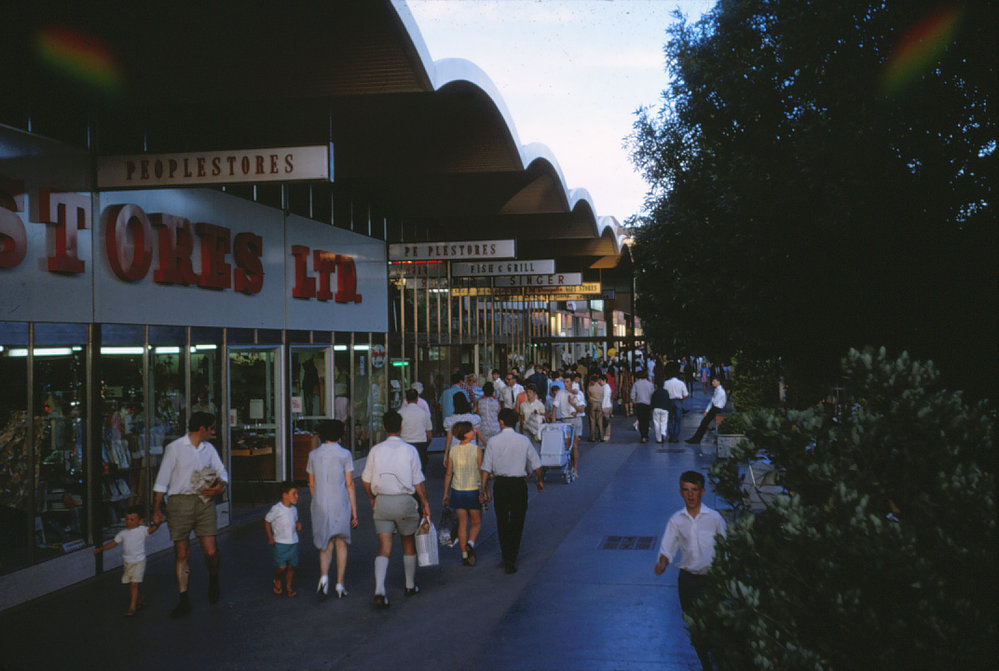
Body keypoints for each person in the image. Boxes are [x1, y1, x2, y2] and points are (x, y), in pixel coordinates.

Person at [152, 411, 228, 618]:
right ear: (202, 429)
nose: (213, 432)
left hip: (204, 502)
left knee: (211, 551)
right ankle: (183, 598)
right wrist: (157, 509)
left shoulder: (209, 449)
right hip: (179, 503)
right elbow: (162, 481)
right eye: (211, 428)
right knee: (182, 553)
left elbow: (222, 472)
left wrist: (220, 487)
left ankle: (213, 577)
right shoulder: (174, 448)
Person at [654, 471, 727, 671]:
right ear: (680, 493)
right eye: (686, 490)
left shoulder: (714, 518)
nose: (691, 495)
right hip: (688, 582)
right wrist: (662, 562)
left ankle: (719, 659)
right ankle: (706, 665)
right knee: (696, 627)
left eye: (694, 490)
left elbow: (726, 547)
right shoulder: (676, 520)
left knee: (715, 624)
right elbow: (667, 548)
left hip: (712, 579)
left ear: (702, 492)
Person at [361, 410, 432, 609]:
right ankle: (409, 585)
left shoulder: (375, 450)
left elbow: (366, 480)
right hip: (405, 502)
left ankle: (379, 590)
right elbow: (418, 482)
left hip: (382, 501)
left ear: (383, 428)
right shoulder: (410, 450)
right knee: (408, 542)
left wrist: (372, 498)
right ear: (401, 427)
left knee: (384, 547)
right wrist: (425, 503)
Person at [480, 409, 544, 574]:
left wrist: (483, 489)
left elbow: (485, 468)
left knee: (502, 520)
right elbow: (537, 464)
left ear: (501, 422)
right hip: (518, 485)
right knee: (517, 520)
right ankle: (512, 557)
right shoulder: (524, 440)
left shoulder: (493, 441)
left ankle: (505, 554)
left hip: (500, 484)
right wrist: (539, 481)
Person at [308, 419, 358, 600]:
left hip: (320, 503)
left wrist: (318, 500)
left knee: (325, 544)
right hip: (340, 502)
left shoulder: (313, 455)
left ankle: (323, 577)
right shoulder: (344, 454)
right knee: (341, 543)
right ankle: (340, 583)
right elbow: (350, 484)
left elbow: (311, 484)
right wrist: (354, 510)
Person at [93, 504, 162, 616]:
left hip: (139, 561)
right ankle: (139, 598)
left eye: (132, 519)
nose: (128, 522)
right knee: (131, 583)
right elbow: (113, 543)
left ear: (140, 521)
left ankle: (132, 607)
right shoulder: (123, 533)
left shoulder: (142, 530)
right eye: (127, 519)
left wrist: (157, 524)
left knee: (134, 584)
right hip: (127, 562)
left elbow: (151, 529)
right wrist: (101, 548)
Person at [441, 421, 483, 567]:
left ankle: (464, 555)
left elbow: (448, 474)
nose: (474, 432)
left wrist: (445, 494)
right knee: (476, 522)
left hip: (457, 490)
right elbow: (481, 471)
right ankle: (470, 544)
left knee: (462, 524)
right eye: (472, 430)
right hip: (472, 489)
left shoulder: (453, 450)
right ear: (466, 434)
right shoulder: (476, 450)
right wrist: (484, 491)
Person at [264, 482, 302, 597]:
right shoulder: (276, 509)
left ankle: (289, 587)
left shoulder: (294, 509)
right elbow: (267, 521)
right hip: (280, 543)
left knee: (291, 566)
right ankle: (277, 579)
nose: (297, 496)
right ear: (285, 495)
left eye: (297, 493)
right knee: (281, 566)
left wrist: (297, 525)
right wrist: (270, 537)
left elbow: (293, 522)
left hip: (293, 542)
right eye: (294, 494)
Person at [443, 391, 483, 467]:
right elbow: (479, 435)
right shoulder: (473, 418)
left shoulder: (450, 420)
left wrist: (446, 454)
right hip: (471, 448)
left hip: (456, 448)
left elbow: (449, 438)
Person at [399, 388, 434, 473]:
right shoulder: (424, 414)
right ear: (417, 399)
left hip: (405, 443)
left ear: (406, 399)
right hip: (421, 444)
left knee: (406, 471)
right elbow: (429, 436)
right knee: (420, 472)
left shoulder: (400, 413)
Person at [686, 375, 727, 444]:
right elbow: (712, 401)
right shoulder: (717, 390)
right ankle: (696, 438)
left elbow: (714, 402)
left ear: (719, 382)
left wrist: (707, 410)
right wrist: (706, 410)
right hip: (714, 408)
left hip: (716, 409)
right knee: (704, 423)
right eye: (712, 381)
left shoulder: (720, 391)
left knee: (705, 423)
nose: (712, 383)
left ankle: (696, 439)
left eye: (714, 381)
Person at [664, 365, 689, 443]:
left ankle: (671, 435)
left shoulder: (666, 383)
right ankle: (675, 437)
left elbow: (664, 393)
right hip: (678, 401)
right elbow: (686, 394)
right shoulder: (681, 383)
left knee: (670, 419)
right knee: (678, 420)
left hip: (669, 401)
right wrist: (681, 399)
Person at [630, 369, 655, 443]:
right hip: (647, 404)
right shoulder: (650, 384)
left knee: (640, 420)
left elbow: (632, 395)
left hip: (639, 404)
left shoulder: (636, 384)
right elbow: (652, 395)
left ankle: (642, 435)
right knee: (646, 420)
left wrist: (635, 401)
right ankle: (646, 435)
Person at [651, 380, 670, 444]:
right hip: (664, 408)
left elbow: (652, 400)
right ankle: (663, 433)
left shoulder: (655, 392)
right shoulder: (666, 392)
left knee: (656, 423)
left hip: (656, 408)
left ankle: (658, 439)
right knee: (664, 422)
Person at [586, 374, 604, 442]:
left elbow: (588, 394)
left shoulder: (590, 388)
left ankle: (592, 437)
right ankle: (601, 436)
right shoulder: (601, 388)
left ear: (592, 381)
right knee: (600, 421)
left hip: (592, 403)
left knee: (592, 420)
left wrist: (589, 384)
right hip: (599, 404)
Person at [600, 374, 614, 440]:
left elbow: (605, 398)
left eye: (601, 380)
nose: (600, 382)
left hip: (605, 406)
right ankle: (605, 434)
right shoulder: (605, 387)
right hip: (606, 405)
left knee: (606, 421)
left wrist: (602, 407)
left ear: (604, 380)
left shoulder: (606, 388)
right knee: (605, 420)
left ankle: (607, 434)